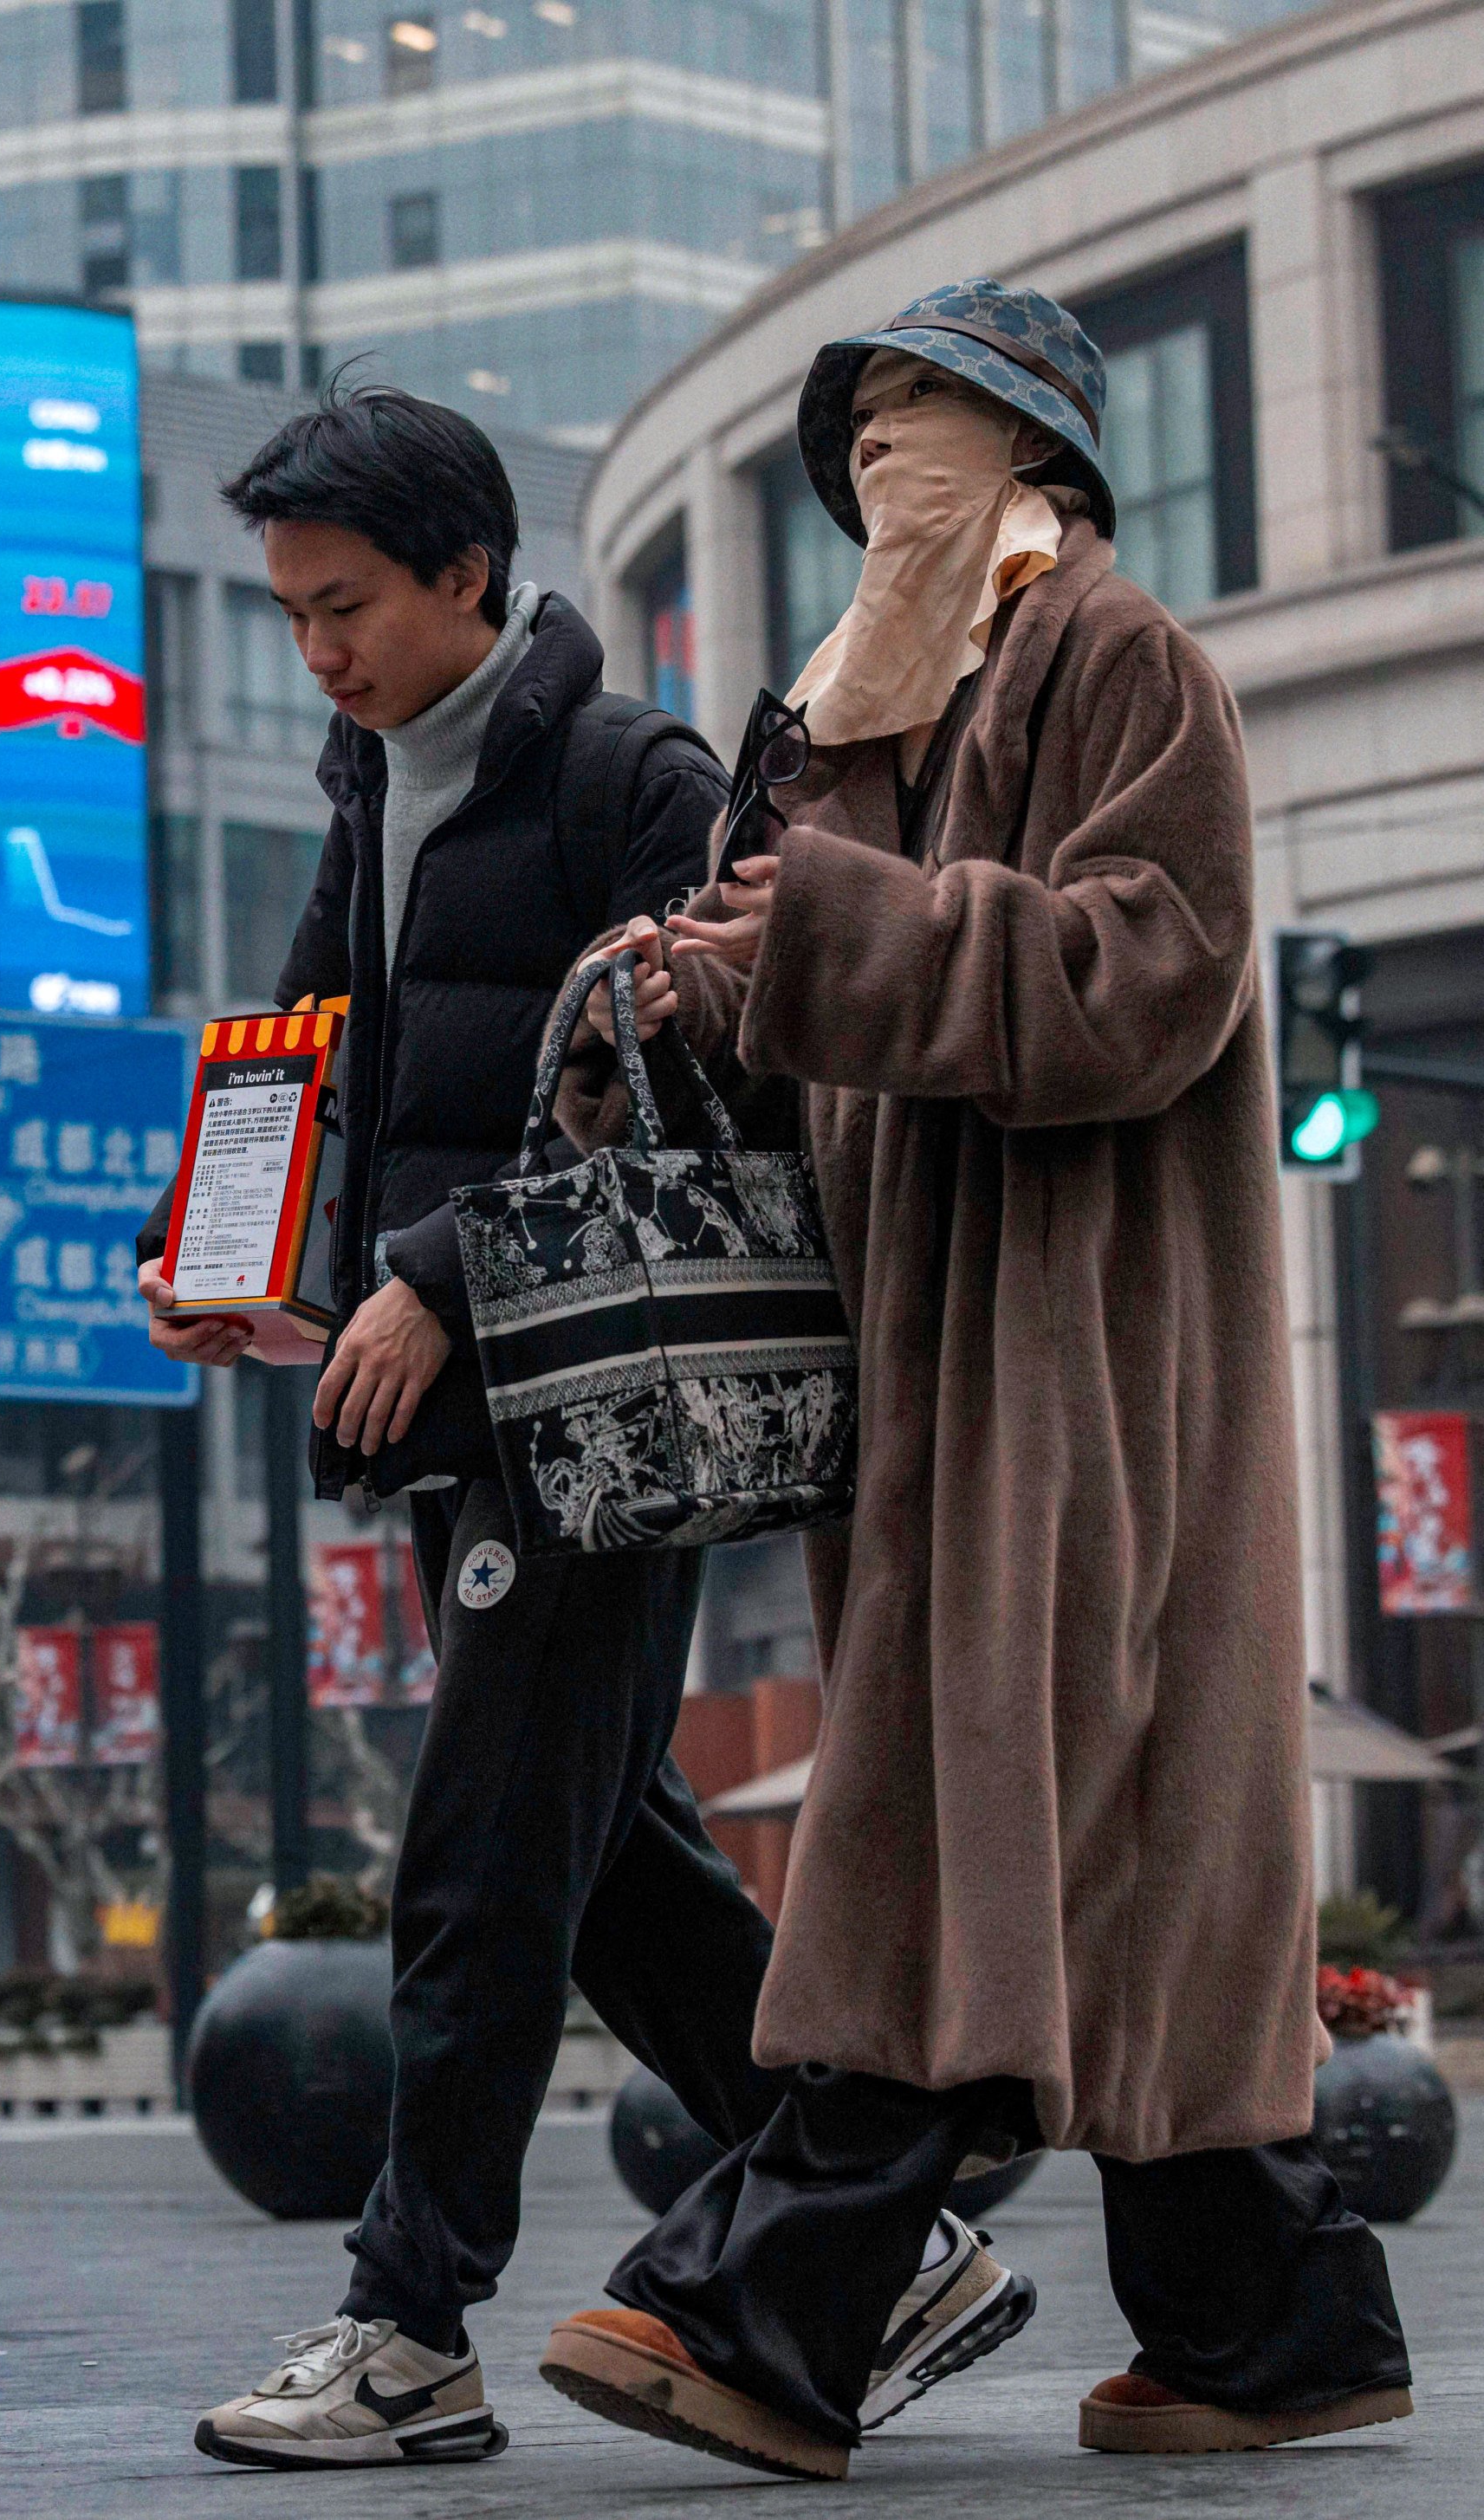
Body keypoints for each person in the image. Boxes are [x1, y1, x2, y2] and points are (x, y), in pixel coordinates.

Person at [536, 279, 1411, 2478]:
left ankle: (764, 2309)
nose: (884, 469)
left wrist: (832, 936)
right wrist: (716, 980)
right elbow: (834, 993)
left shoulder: (1126, 660)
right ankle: (1271, 2319)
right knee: (1101, 1858)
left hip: (1090, 1373)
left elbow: (1152, 968)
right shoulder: (871, 707)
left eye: (930, 424)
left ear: (1040, 450)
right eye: (868, 435)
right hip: (926, 1372)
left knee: (958, 1816)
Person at [136, 379, 1027, 2471]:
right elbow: (303, 1053)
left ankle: (410, 2323)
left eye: (345, 604)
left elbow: (700, 1076)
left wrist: (433, 1269)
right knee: (610, 1868)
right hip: (479, 1415)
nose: (318, 651)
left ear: (468, 571)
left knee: (475, 1865)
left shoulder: (633, 775)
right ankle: (886, 2245)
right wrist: (220, 1247)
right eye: (287, 614)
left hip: (607, 1402)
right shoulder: (374, 786)